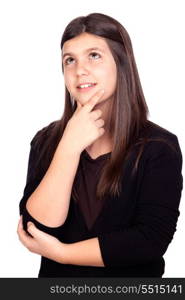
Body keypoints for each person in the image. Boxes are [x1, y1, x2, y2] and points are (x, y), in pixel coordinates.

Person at [17, 12, 183, 278]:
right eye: (69, 60)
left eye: (94, 55)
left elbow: (149, 240)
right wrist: (68, 147)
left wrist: (62, 253)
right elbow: (36, 229)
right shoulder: (46, 142)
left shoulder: (159, 147)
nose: (79, 69)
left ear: (122, 63)